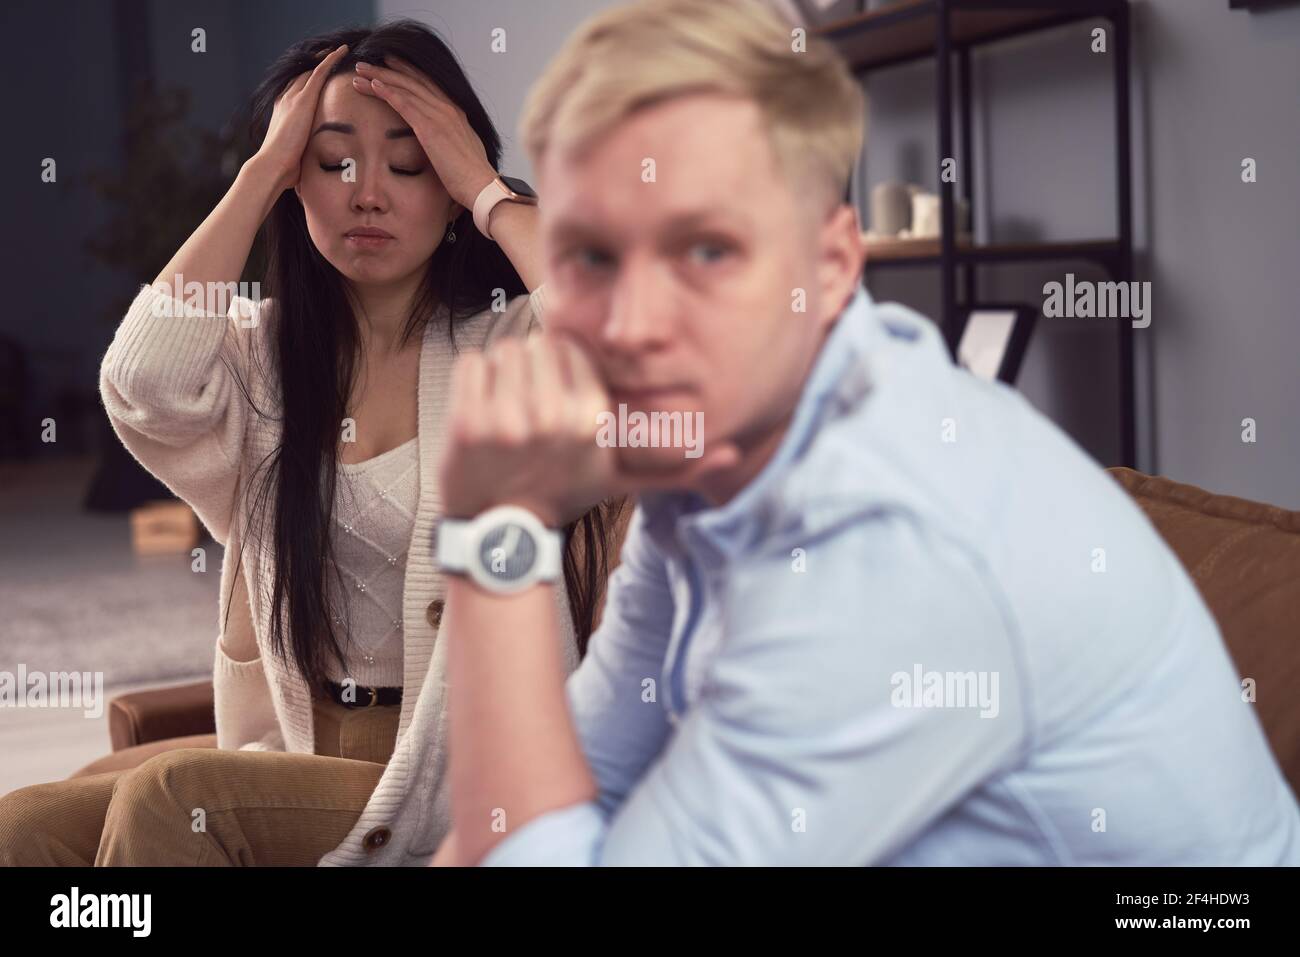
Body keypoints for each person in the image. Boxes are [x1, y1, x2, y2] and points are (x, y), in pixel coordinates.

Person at [428, 0, 1300, 866]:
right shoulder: (710, 465)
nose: (633, 323)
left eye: (706, 251)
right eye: (590, 256)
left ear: (832, 266)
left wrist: (497, 530)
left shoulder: (889, 532)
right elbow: (565, 796)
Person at [0, 19, 620, 866]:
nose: (368, 192)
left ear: (447, 192)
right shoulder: (264, 359)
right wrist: (257, 177)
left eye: (410, 163)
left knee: (173, 801)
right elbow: (139, 384)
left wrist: (485, 187)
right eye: (331, 162)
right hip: (300, 756)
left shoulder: (508, 353)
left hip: (466, 778)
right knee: (22, 824)